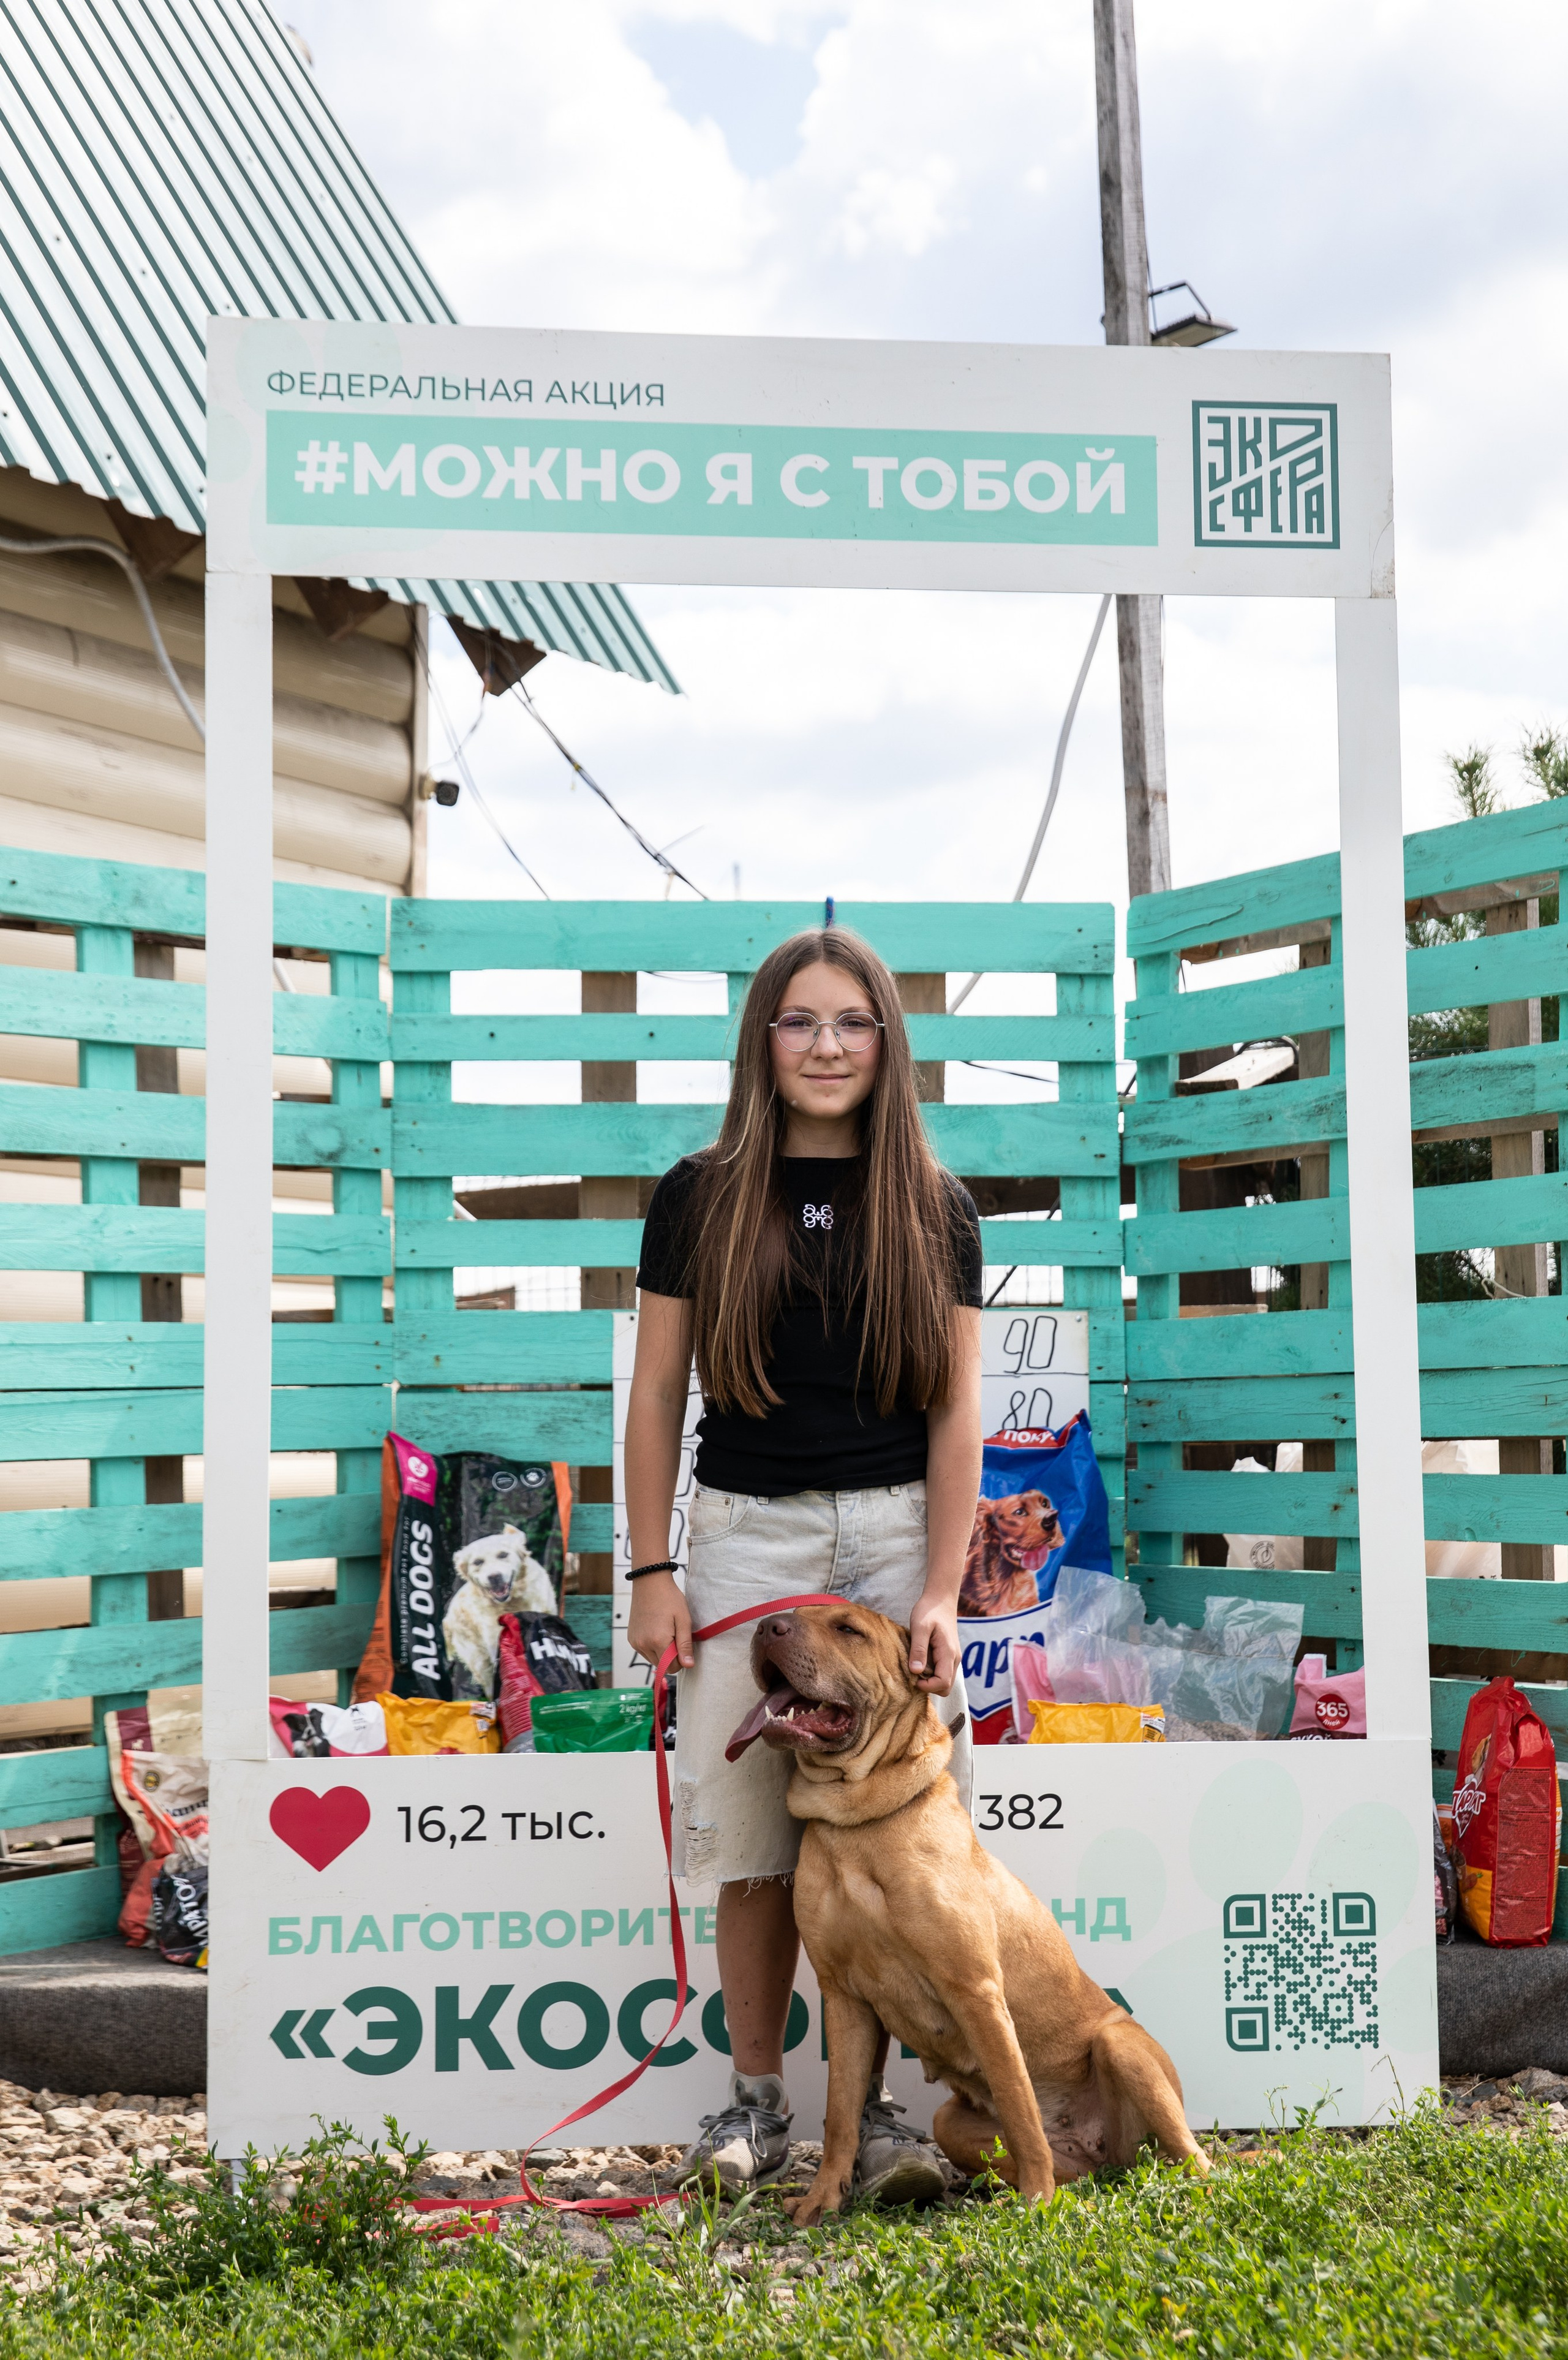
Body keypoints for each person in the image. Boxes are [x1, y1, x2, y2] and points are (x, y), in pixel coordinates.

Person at [625, 925, 982, 2204]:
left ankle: (878, 2117)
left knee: (894, 1843)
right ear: (761, 1042)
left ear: (885, 1045)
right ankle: (755, 2103)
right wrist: (651, 1570)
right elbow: (659, 1391)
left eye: (850, 1022)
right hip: (744, 1540)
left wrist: (938, 1589)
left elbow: (954, 1417)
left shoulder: (935, 1208)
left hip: (889, 1546)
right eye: (798, 1021)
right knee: (752, 1847)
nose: (824, 1045)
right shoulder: (698, 1195)